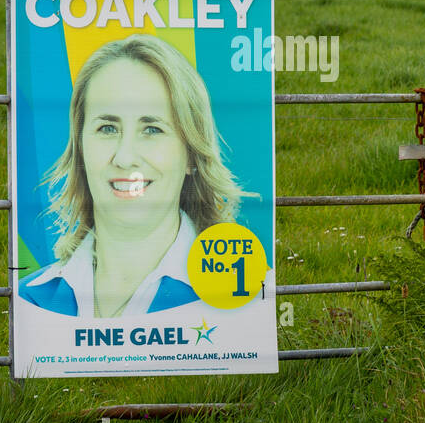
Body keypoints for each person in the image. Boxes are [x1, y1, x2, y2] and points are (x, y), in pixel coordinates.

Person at [18, 33, 251, 318]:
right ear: (80, 148)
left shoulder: (242, 293)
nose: (125, 158)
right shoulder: (30, 300)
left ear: (191, 154)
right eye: (107, 128)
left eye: (152, 129)